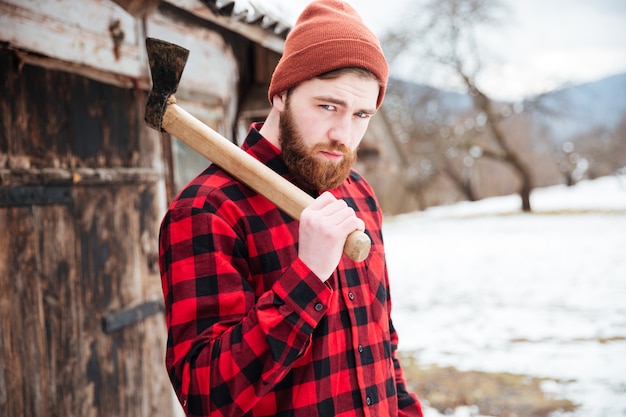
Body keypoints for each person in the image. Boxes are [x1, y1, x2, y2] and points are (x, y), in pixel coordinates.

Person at [158, 1, 424, 415]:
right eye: (328, 106)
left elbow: (381, 344)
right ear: (281, 93)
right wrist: (308, 274)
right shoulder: (207, 209)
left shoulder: (358, 194)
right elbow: (205, 394)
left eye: (361, 115)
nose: (343, 134)